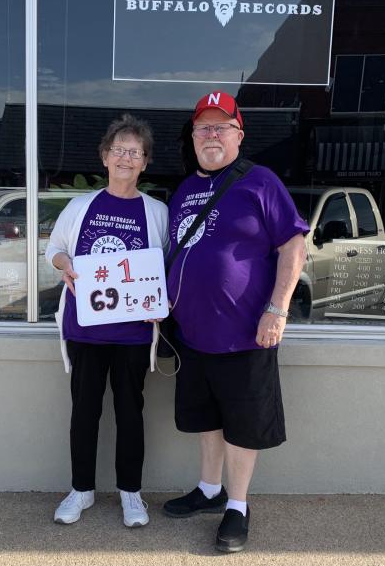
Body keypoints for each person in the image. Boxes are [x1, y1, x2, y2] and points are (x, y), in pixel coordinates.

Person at [162, 91, 308, 553]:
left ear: (238, 136)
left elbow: (293, 247)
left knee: (243, 425)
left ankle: (238, 506)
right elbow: (176, 256)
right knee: (208, 420)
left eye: (220, 126)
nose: (210, 134)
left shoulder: (260, 182)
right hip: (193, 336)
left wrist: (277, 308)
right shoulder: (184, 191)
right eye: (202, 127)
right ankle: (209, 490)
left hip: (247, 333)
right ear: (193, 137)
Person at [46, 114, 168, 528]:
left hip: (133, 333)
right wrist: (66, 265)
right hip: (86, 329)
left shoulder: (156, 212)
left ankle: (131, 494)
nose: (125, 158)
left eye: (135, 153)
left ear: (145, 162)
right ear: (104, 157)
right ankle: (81, 490)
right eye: (119, 150)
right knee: (85, 410)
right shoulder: (81, 207)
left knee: (131, 412)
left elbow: (164, 267)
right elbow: (55, 250)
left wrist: (159, 302)